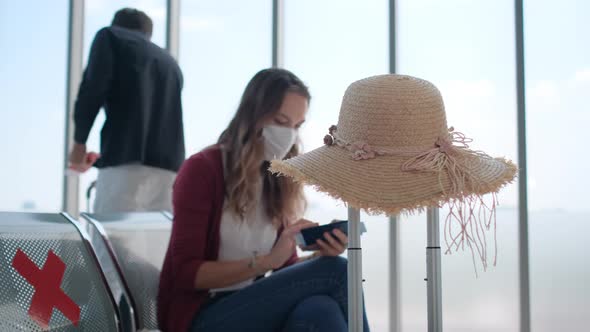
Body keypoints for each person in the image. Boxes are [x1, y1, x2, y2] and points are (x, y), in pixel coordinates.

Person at [157, 68, 371, 332]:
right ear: (253, 115)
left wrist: (318, 253)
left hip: (250, 306)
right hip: (202, 316)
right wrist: (268, 261)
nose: (289, 135)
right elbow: (187, 274)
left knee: (319, 309)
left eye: (296, 126)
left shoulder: (276, 178)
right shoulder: (202, 170)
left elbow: (284, 267)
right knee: (337, 271)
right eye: (281, 121)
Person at [68, 8, 184, 213]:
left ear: (117, 24)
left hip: (125, 165)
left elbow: (92, 90)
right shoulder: (170, 63)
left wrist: (79, 144)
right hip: (169, 171)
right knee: (155, 242)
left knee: (110, 241)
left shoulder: (110, 37)